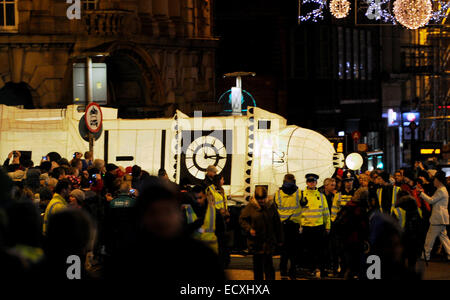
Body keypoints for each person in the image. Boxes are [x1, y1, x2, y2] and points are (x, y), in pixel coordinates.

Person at [105, 176, 225, 281]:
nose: (161, 219)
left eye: (167, 212)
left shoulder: (202, 257)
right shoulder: (122, 259)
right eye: (153, 213)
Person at [239, 186, 283, 280]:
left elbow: (277, 224)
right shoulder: (250, 207)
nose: (261, 201)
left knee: (269, 267)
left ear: (266, 197)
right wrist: (249, 229)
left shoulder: (271, 207)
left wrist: (280, 239)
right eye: (259, 199)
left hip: (268, 242)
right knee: (257, 267)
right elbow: (242, 220)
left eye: (263, 199)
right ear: (255, 198)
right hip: (256, 243)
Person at [333, 188, 370, 279]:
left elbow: (339, 221)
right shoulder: (358, 208)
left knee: (347, 262)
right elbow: (362, 225)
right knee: (352, 264)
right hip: (353, 239)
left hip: (346, 238)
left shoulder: (349, 205)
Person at [300, 173, 331, 278]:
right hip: (307, 227)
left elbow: (326, 212)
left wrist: (328, 226)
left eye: (313, 181)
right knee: (309, 251)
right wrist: (300, 226)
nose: (311, 183)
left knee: (321, 250)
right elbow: (298, 212)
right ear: (306, 182)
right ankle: (312, 269)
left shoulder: (321, 196)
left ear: (316, 182)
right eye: (309, 181)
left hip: (319, 227)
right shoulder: (302, 195)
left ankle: (322, 269)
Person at [417, 170, 450, 261]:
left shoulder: (441, 191)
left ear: (438, 180)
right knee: (444, 239)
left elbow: (431, 200)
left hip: (438, 218)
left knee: (429, 238)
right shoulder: (442, 190)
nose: (433, 181)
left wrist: (421, 194)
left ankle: (425, 256)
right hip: (441, 218)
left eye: (435, 180)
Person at [274, 173, 302, 279]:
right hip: (294, 225)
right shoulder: (299, 193)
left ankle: (283, 270)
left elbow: (275, 208)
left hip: (283, 226)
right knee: (294, 251)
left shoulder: (278, 194)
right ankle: (293, 271)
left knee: (284, 250)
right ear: (294, 181)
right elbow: (303, 204)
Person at [182, 185, 219, 253]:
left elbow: (221, 234)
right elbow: (181, 232)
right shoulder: (186, 210)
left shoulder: (213, 211)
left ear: (205, 196)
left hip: (211, 253)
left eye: (200, 198)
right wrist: (194, 226)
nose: (198, 201)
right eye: (195, 198)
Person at [206, 174, 231, 268]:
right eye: (222, 179)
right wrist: (218, 212)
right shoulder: (210, 189)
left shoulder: (222, 189)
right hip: (215, 218)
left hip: (223, 218)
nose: (223, 181)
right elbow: (210, 204)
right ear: (218, 180)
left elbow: (224, 202)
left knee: (223, 241)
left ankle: (224, 261)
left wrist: (227, 213)